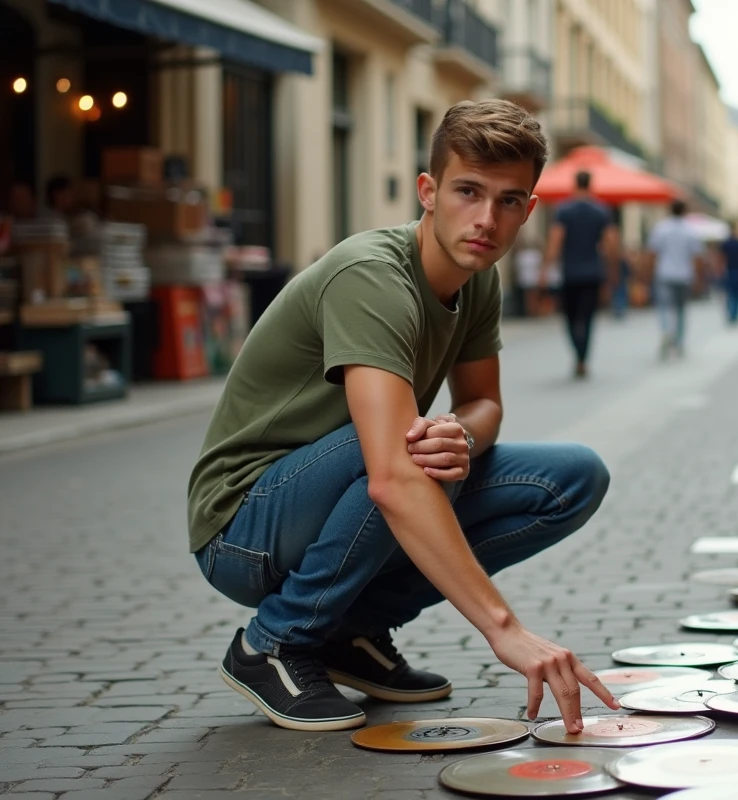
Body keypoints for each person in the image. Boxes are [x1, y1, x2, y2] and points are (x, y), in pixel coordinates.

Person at [187, 100, 619, 733]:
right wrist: (506, 631)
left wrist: (462, 432)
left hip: (347, 487)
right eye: (468, 191)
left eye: (507, 201)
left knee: (574, 475)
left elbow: (485, 403)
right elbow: (390, 474)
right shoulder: (374, 277)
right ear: (428, 191)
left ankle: (351, 631)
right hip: (243, 527)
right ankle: (275, 641)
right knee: (404, 451)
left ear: (529, 210)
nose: (485, 219)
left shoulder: (479, 278)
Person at [541, 170, 619, 378]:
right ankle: (583, 359)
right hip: (593, 272)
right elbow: (611, 243)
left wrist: (546, 268)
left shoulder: (564, 210)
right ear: (590, 184)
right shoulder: (601, 210)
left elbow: (556, 241)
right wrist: (612, 269)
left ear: (575, 184)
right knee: (588, 318)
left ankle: (578, 354)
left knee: (570, 317)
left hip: (570, 273)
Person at [647, 200, 704, 359]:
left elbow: (653, 253)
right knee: (681, 310)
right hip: (684, 276)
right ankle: (678, 341)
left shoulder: (661, 229)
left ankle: (666, 332)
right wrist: (699, 277)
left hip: (664, 274)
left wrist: (649, 273)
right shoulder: (690, 231)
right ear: (684, 211)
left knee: (664, 307)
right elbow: (697, 257)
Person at [718, 221, 738, 325]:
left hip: (730, 270)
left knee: (730, 294)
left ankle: (731, 314)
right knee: (737, 295)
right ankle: (735, 314)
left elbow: (722, 258)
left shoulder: (726, 243)